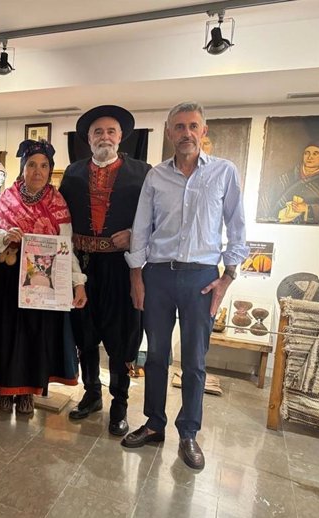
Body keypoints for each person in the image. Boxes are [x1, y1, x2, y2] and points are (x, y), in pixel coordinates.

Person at [123, 102, 248, 470]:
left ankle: (189, 433)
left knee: (194, 361)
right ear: (168, 132)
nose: (186, 133)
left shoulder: (224, 173)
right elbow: (141, 228)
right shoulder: (156, 176)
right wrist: (136, 275)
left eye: (193, 126)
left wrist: (227, 278)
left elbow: (238, 229)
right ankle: (154, 424)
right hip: (158, 275)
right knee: (157, 355)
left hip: (201, 279)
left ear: (204, 131)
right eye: (179, 127)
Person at [59, 105, 151, 436]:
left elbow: (160, 217)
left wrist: (136, 234)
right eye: (98, 132)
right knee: (84, 334)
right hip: (82, 266)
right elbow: (62, 219)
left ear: (121, 136)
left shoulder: (143, 172)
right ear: (88, 138)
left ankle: (120, 405)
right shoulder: (72, 172)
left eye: (111, 131)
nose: (105, 137)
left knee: (120, 336)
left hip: (121, 265)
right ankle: (91, 394)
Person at [0, 139, 87, 415]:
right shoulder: (6, 199)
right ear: (22, 169)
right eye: (31, 165)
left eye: (44, 166)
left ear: (50, 170)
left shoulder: (58, 203)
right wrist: (4, 236)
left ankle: (28, 392)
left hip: (42, 279)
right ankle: (4, 389)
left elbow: (67, 247)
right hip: (5, 279)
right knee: (5, 333)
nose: (37, 171)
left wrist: (78, 282)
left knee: (34, 336)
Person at [272, 140, 319, 224]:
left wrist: (307, 208)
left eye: (315, 153)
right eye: (306, 153)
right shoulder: (286, 177)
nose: (310, 157)